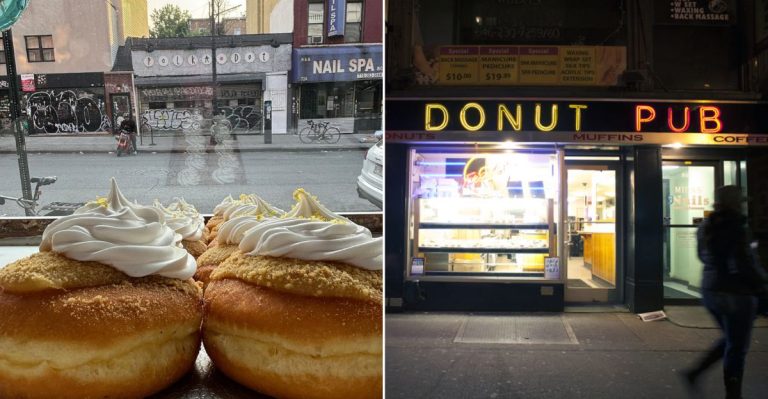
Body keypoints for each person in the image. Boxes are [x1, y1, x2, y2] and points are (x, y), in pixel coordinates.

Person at [681, 185, 767, 399]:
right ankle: (732, 393)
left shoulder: (706, 225)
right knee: (737, 346)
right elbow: (746, 262)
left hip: (710, 289)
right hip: (737, 292)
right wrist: (761, 285)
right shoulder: (738, 226)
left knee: (731, 339)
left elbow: (702, 256)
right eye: (741, 201)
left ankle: (695, 372)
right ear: (735, 202)